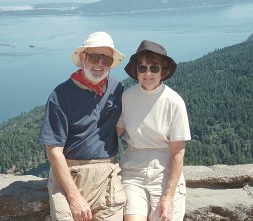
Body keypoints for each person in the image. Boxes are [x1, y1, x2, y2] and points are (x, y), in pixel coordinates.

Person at [39, 31, 127, 221]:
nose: (99, 64)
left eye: (106, 60)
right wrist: (74, 197)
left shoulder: (116, 88)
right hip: (69, 176)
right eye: (94, 57)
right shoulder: (61, 95)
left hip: (107, 177)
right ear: (82, 58)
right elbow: (54, 150)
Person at [116, 40, 191, 221]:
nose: (148, 73)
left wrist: (168, 196)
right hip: (134, 169)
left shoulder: (174, 102)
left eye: (154, 68)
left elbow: (177, 153)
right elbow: (114, 133)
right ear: (136, 71)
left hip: (164, 170)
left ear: (163, 71)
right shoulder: (127, 97)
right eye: (142, 68)